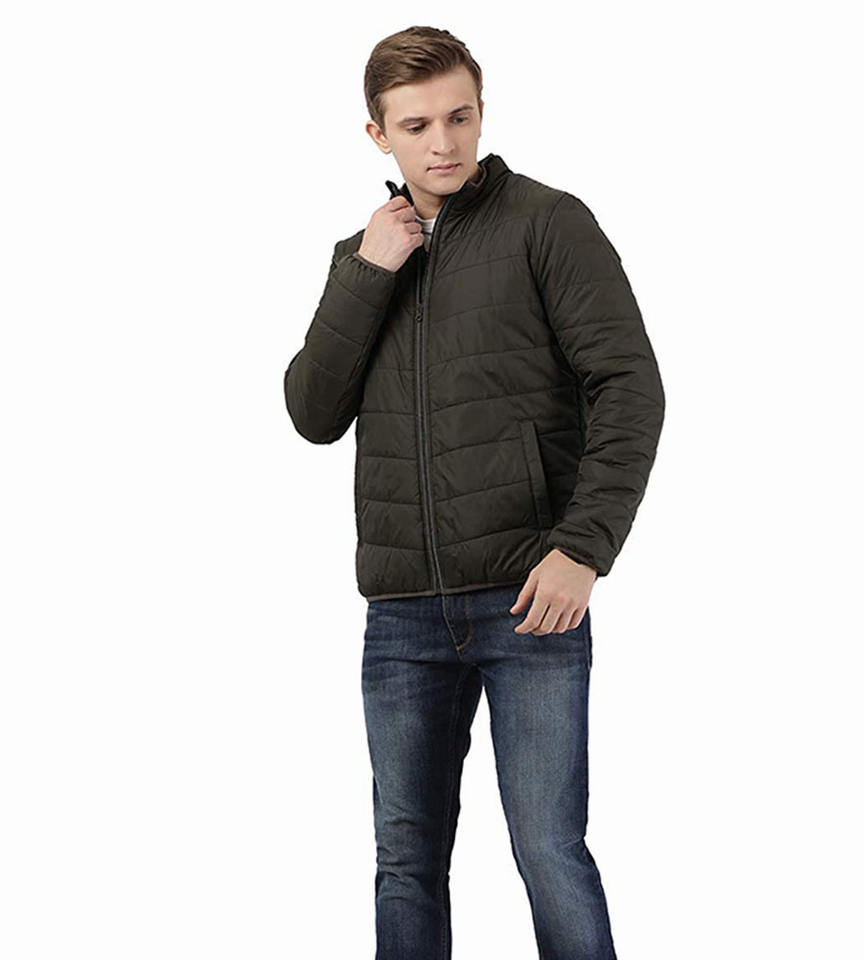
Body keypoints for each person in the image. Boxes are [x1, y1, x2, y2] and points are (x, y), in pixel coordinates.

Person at [283, 25, 665, 960]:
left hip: (529, 600)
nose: (443, 143)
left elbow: (631, 386)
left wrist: (583, 549)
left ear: (482, 112)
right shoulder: (364, 255)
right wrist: (370, 270)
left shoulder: (547, 223)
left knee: (549, 853)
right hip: (402, 615)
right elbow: (312, 412)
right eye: (417, 126)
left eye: (460, 117)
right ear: (378, 135)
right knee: (405, 863)